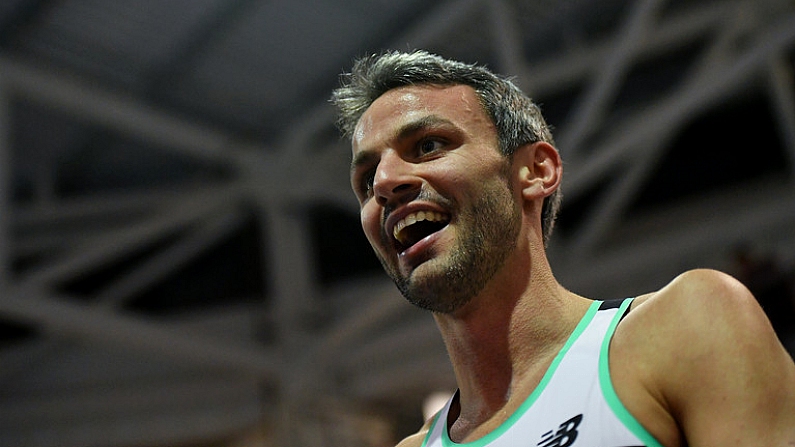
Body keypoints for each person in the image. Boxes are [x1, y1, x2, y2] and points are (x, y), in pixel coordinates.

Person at [331, 50, 795, 447]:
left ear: (535, 171)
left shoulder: (683, 329)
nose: (386, 184)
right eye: (366, 179)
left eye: (428, 144)